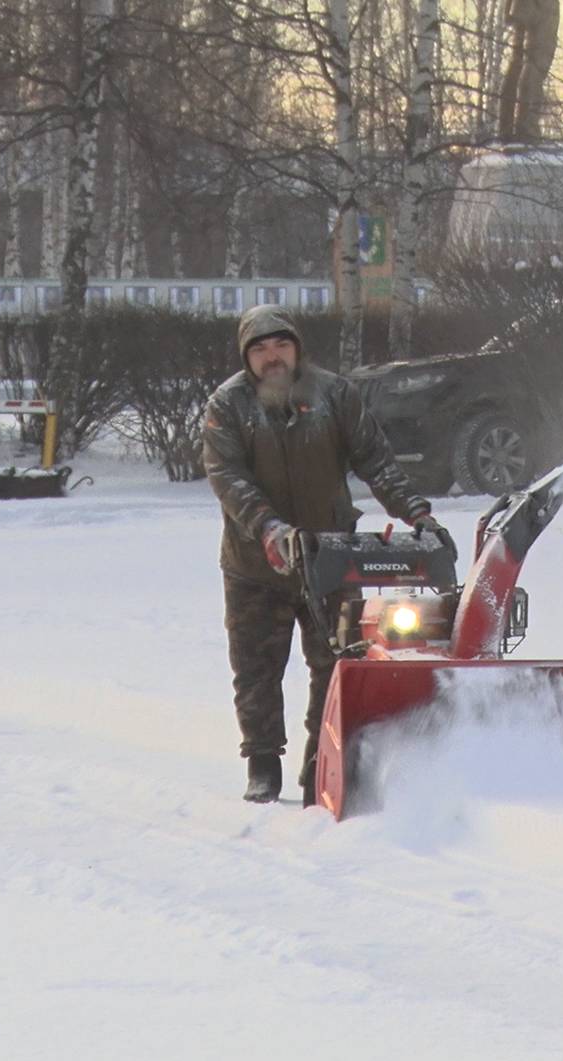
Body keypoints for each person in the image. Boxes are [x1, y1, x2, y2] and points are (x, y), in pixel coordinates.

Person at [202, 305, 453, 805]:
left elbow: (376, 461)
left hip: (331, 559)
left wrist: (417, 514)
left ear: (297, 348)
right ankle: (263, 764)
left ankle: (321, 762)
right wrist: (271, 530)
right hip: (258, 564)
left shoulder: (335, 395)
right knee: (256, 668)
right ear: (247, 358)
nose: (272, 357)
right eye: (260, 349)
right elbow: (228, 477)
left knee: (336, 664)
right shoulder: (226, 406)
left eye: (281, 345)